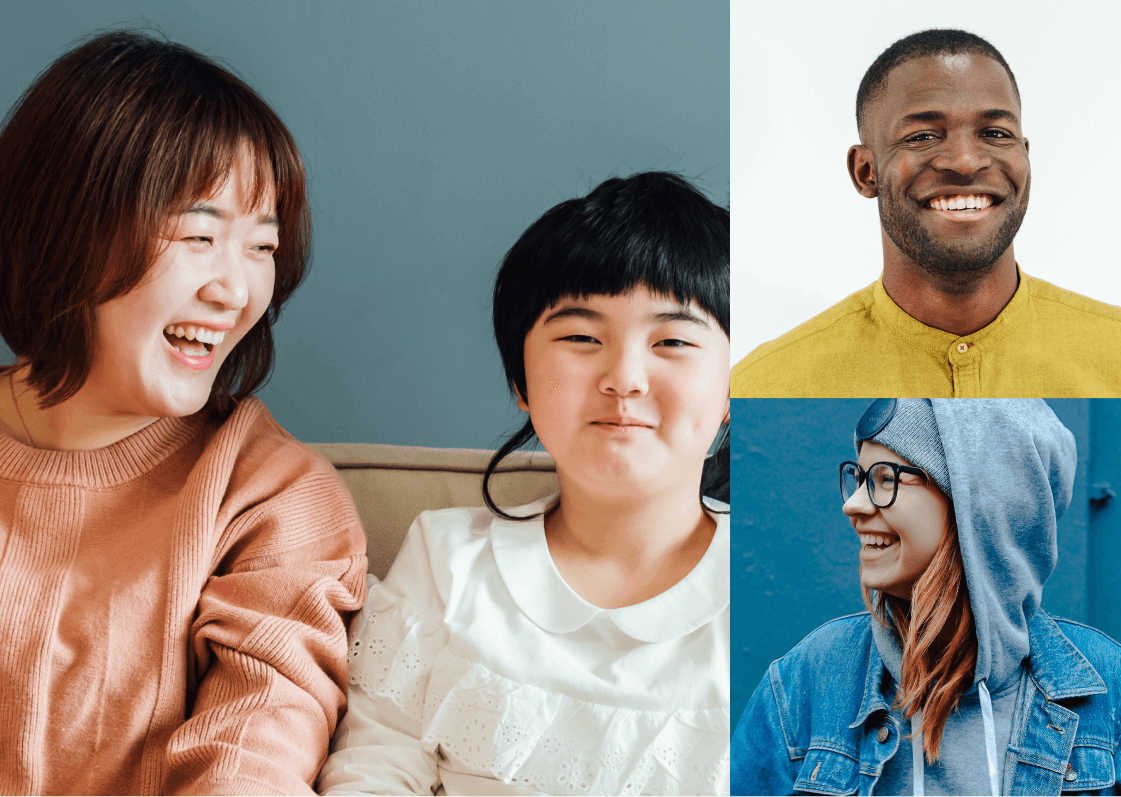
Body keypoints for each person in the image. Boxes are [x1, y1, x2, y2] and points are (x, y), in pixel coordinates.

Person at [0, 32, 367, 795]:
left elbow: (257, 745)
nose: (235, 292)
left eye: (260, 247)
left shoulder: (273, 496)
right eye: (199, 236)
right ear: (65, 228)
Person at [318, 172, 731, 796]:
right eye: (581, 338)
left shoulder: (778, 596)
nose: (626, 378)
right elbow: (375, 768)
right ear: (521, 381)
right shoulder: (447, 561)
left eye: (671, 340)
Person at [730, 399, 1121, 795]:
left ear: (982, 506)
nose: (854, 505)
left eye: (885, 478)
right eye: (859, 477)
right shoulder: (806, 682)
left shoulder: (1116, 696)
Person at [731, 29, 1121, 398]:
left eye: (995, 133)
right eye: (923, 136)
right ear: (866, 172)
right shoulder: (762, 389)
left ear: (1025, 157)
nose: (964, 161)